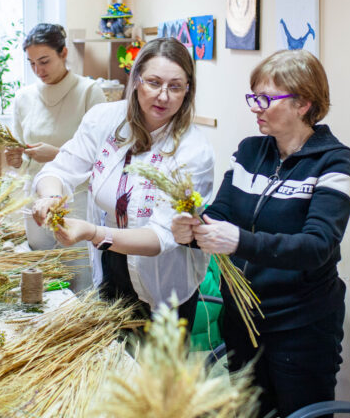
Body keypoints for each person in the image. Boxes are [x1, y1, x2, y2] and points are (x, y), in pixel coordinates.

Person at [172, 49, 350, 417]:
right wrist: (193, 225)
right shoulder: (250, 151)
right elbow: (223, 212)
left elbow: (318, 246)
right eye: (253, 97)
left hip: (300, 325)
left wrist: (239, 241)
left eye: (265, 99)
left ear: (303, 103)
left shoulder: (334, 162)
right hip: (242, 318)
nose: (255, 107)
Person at [30, 37, 214, 325]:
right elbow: (60, 169)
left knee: (156, 368)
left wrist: (93, 233)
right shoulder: (104, 119)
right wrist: (50, 197)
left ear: (187, 90)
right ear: (136, 79)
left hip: (162, 284)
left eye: (175, 87)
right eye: (153, 82)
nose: (163, 96)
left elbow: (159, 237)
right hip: (109, 268)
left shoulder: (194, 152)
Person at [5, 23, 106, 250]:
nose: (39, 70)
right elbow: (20, 156)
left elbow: (105, 157)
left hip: (77, 198)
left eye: (44, 61)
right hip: (36, 199)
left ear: (64, 53)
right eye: (31, 64)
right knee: (41, 270)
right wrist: (14, 159)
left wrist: (57, 155)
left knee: (78, 273)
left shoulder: (89, 92)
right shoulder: (24, 97)